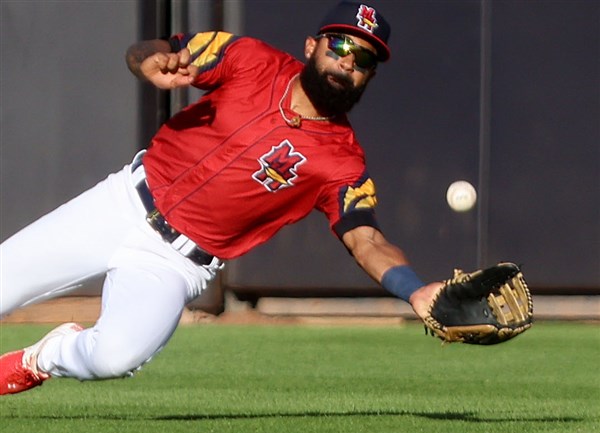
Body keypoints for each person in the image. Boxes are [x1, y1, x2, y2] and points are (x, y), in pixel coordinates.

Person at [0, 1, 442, 395]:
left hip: (175, 264)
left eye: (362, 58)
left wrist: (415, 290)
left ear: (370, 75)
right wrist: (146, 61)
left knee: (114, 357)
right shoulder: (251, 59)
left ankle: (42, 358)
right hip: (122, 204)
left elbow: (366, 239)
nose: (347, 63)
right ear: (312, 46)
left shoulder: (341, 161)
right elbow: (154, 48)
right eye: (340, 46)